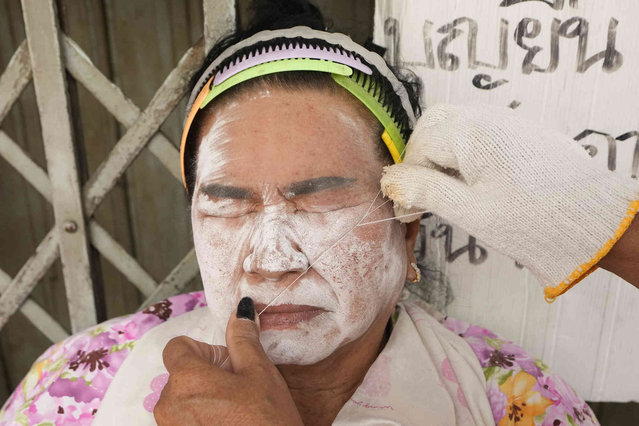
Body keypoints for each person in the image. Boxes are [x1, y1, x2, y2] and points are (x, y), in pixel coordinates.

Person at [2, 1, 638, 425]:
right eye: (227, 204)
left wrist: (620, 236)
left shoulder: (514, 403)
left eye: (320, 199)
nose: (271, 258)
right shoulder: (76, 387)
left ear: (409, 227)